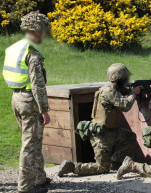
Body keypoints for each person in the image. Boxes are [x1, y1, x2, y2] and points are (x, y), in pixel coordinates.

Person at [57, 63, 141, 176]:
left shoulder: (112, 90)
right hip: (101, 136)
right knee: (101, 168)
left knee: (129, 137)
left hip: (110, 132)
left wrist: (132, 89)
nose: (127, 80)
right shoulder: (108, 92)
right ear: (117, 79)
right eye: (125, 79)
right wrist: (133, 93)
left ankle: (115, 163)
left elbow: (121, 93)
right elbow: (125, 105)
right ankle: (71, 167)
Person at [2, 11, 51, 193]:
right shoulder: (32, 53)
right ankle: (25, 187)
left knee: (33, 139)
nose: (45, 34)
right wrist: (44, 110)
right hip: (30, 100)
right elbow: (38, 85)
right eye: (45, 30)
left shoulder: (14, 48)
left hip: (16, 97)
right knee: (30, 144)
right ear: (38, 30)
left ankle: (39, 177)